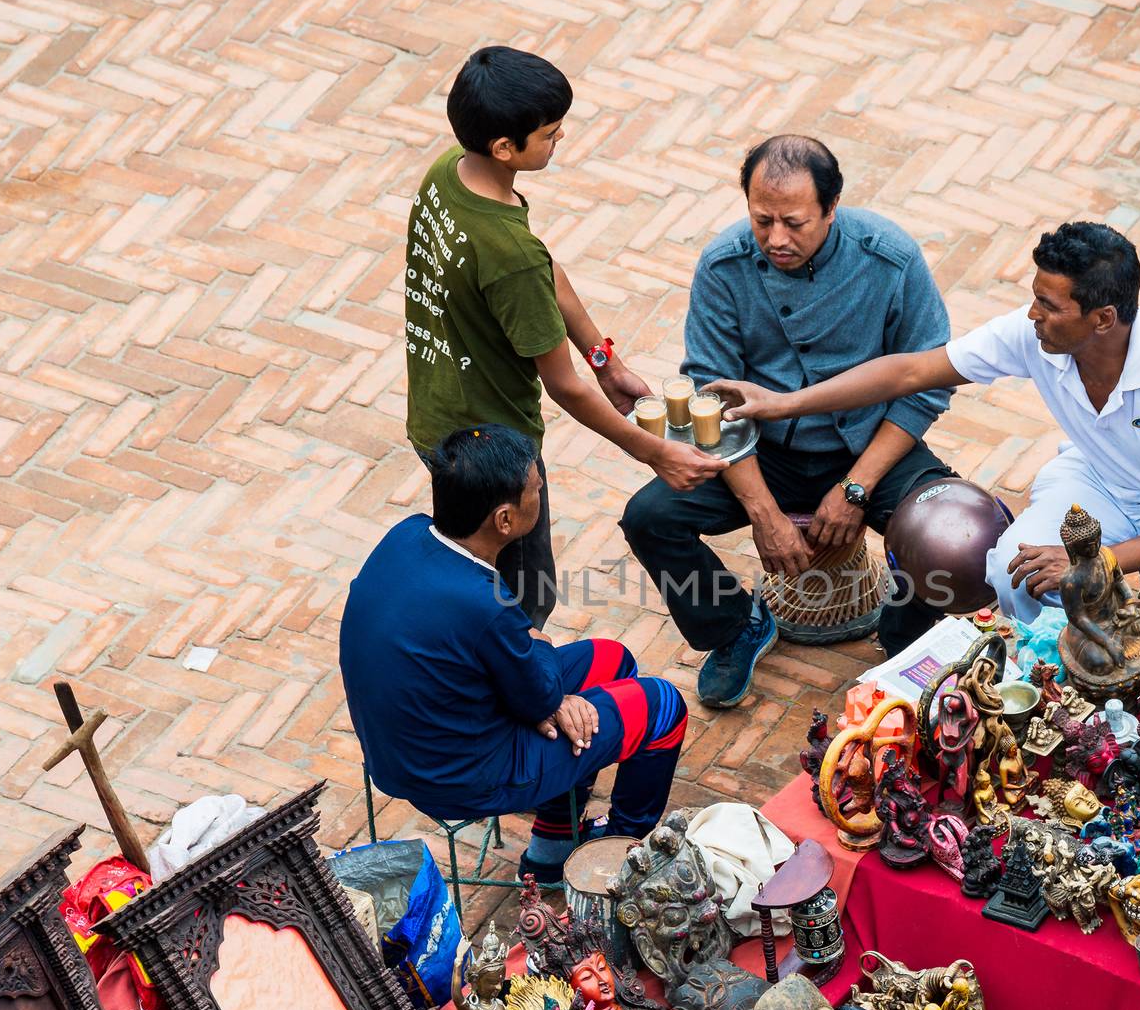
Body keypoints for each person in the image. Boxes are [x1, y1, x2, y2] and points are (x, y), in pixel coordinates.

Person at [712, 222, 1140, 688]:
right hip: (1103, 479)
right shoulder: (1037, 336)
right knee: (1013, 568)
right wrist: (786, 404)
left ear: (1102, 318)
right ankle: (1067, 684)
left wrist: (1097, 563)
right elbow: (911, 370)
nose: (1032, 314)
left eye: (1049, 305)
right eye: (1034, 297)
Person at [620, 135, 956, 707]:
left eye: (795, 222)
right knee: (650, 517)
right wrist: (763, 513)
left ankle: (904, 643)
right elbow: (714, 403)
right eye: (762, 220)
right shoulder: (724, 266)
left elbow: (928, 383)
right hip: (758, 451)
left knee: (949, 535)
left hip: (867, 444)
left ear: (832, 206)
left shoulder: (889, 259)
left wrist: (857, 487)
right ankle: (734, 628)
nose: (777, 239)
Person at [406, 45, 720, 628]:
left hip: (436, 420)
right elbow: (565, 389)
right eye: (550, 134)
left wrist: (605, 358)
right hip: (495, 453)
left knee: (475, 576)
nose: (560, 141)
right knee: (524, 599)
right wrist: (654, 453)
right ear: (505, 147)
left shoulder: (451, 173)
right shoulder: (509, 253)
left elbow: (541, 268)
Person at [339, 425, 689, 884]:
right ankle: (619, 858)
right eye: (535, 489)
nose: (540, 493)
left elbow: (532, 688)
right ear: (504, 520)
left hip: (407, 749)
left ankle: (551, 846)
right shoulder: (483, 604)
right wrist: (544, 682)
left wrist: (545, 698)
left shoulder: (407, 535)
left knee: (612, 661)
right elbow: (537, 689)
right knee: (663, 707)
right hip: (464, 776)